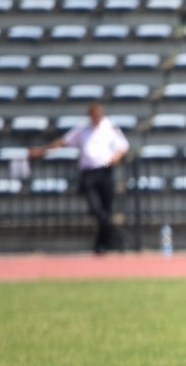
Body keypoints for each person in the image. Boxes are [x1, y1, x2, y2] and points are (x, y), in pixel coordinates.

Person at [28, 102, 128, 254]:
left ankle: (101, 246)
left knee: (105, 210)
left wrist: (116, 157)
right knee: (95, 209)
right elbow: (64, 142)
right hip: (88, 173)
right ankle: (116, 234)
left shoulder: (110, 127)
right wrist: (43, 151)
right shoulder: (83, 128)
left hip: (105, 171)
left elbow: (122, 146)